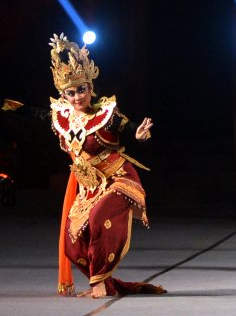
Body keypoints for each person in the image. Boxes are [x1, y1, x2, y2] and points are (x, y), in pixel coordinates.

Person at [35, 34, 164, 297]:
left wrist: (138, 134)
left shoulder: (106, 114)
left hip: (119, 179)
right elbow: (29, 112)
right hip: (88, 188)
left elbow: (126, 127)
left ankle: (99, 283)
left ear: (90, 88)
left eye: (81, 89)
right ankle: (105, 279)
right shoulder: (60, 117)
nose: (76, 96)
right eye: (70, 92)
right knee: (71, 244)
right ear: (63, 94)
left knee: (98, 219)